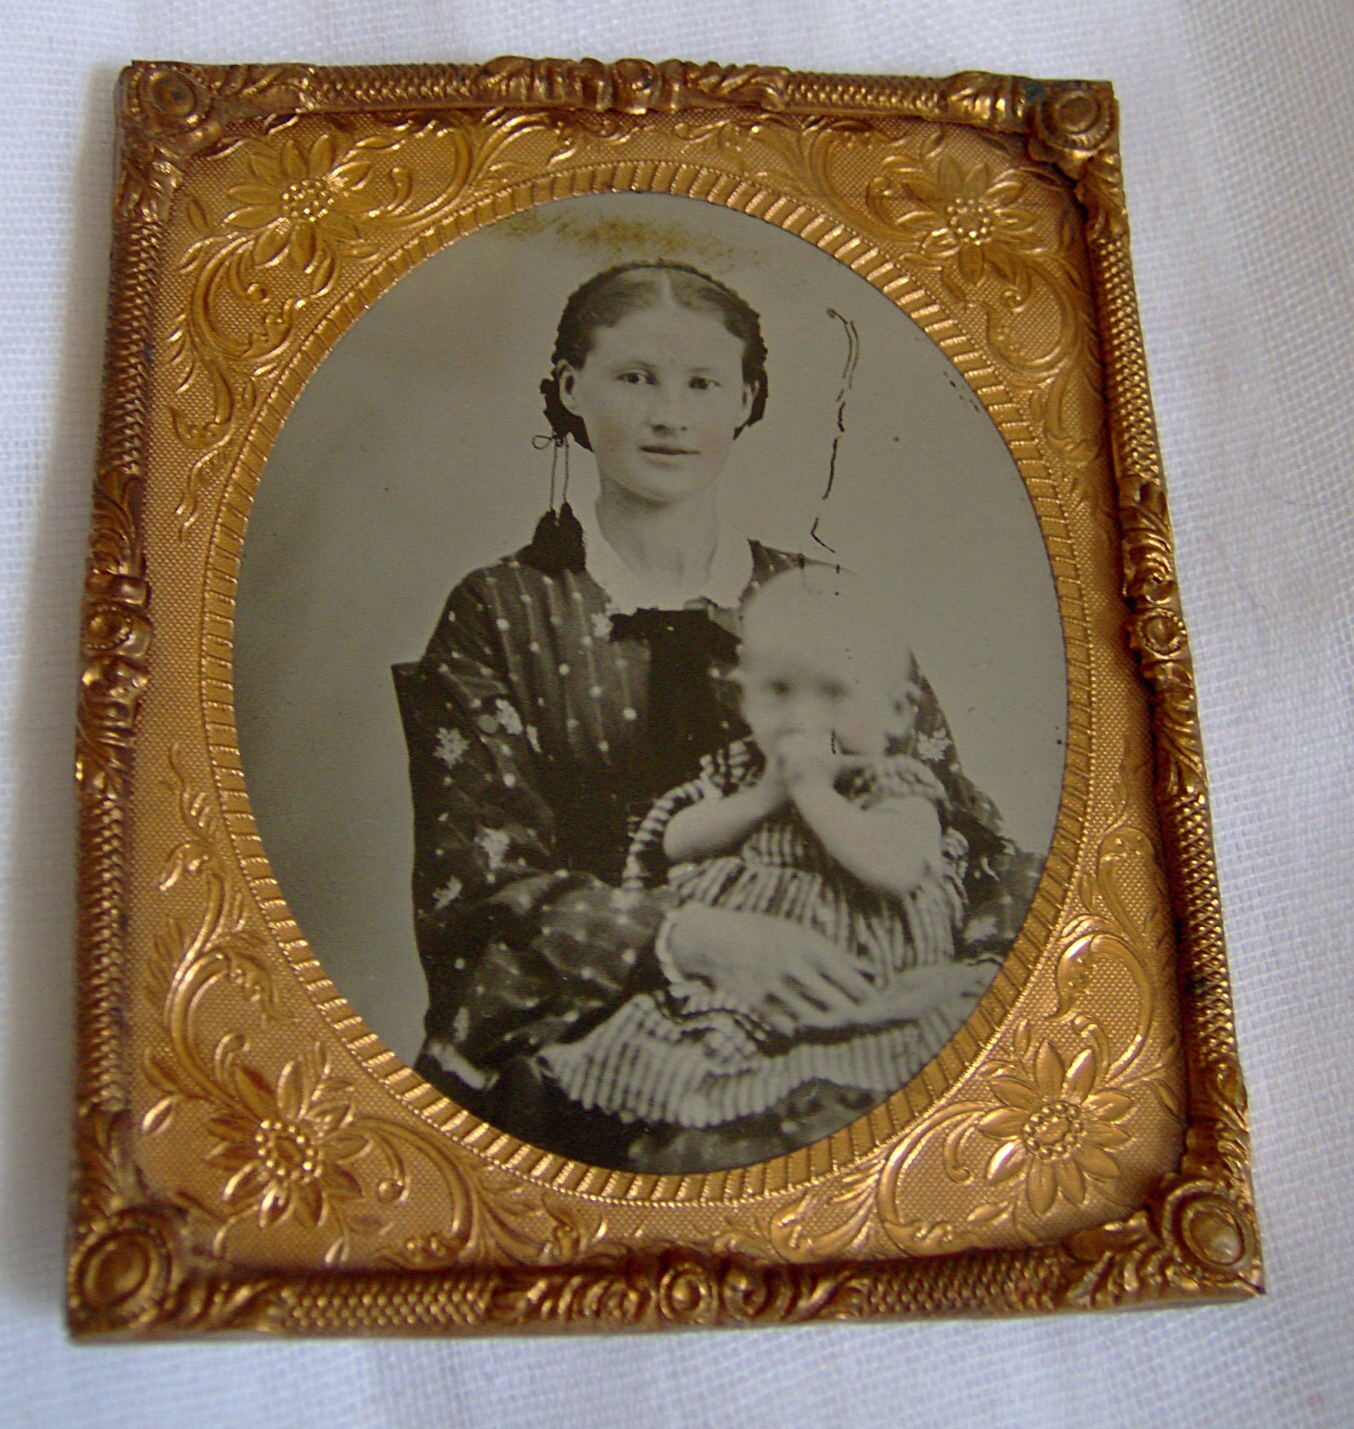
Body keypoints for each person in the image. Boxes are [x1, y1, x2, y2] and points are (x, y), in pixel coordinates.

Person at [392, 260, 1036, 1171]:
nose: (669, 415)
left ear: (746, 401)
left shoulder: (821, 602)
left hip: (856, 993)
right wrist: (686, 939)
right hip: (616, 1033)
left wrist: (952, 975)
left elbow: (960, 831)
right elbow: (478, 898)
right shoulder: (502, 611)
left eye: (701, 384)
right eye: (634, 378)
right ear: (571, 388)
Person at [538, 567, 998, 1169]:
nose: (802, 718)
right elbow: (673, 841)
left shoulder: (895, 782)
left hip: (864, 992)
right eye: (778, 690)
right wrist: (762, 798)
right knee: (670, 1063)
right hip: (735, 997)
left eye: (834, 693)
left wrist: (814, 794)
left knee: (898, 1062)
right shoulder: (740, 773)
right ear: (743, 696)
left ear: (898, 712)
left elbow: (898, 869)